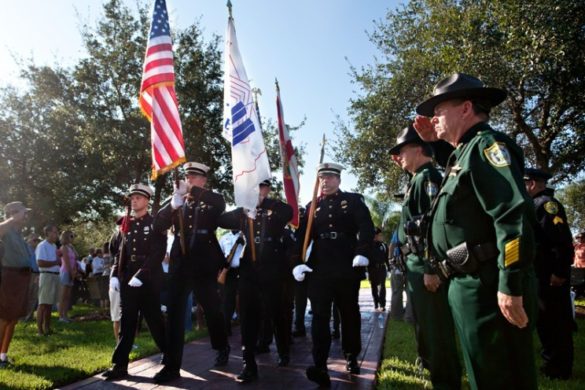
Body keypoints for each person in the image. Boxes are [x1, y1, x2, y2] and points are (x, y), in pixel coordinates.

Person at [414, 73, 538, 389]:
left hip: (488, 284)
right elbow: (460, 179)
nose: (433, 119)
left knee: (500, 377)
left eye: (439, 110)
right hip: (469, 282)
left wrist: (510, 284)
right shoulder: (465, 151)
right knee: (484, 374)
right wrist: (436, 143)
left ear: (466, 108)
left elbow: (512, 217)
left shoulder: (487, 145)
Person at [390, 124, 461, 389]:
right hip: (414, 266)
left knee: (436, 329)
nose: (398, 157)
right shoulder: (416, 179)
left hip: (425, 267)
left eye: (401, 150)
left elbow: (433, 226)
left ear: (420, 149)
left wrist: (432, 267)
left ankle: (446, 381)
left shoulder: (428, 177)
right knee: (423, 325)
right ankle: (431, 369)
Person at [293, 162, 374, 387]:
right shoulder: (312, 206)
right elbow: (302, 237)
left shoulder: (353, 201)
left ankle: (351, 355)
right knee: (319, 316)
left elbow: (366, 226)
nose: (325, 182)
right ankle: (320, 365)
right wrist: (297, 263)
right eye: (321, 178)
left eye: (329, 177)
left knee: (349, 313)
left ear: (338, 179)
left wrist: (362, 252)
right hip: (319, 268)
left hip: (347, 264)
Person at [153, 162, 230, 383]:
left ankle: (221, 345)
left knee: (212, 309)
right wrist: (172, 206)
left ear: (204, 180)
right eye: (188, 177)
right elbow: (159, 224)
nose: (189, 180)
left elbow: (220, 203)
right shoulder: (178, 201)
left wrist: (192, 191)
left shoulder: (211, 200)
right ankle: (171, 364)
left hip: (204, 263)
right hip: (180, 263)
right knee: (176, 312)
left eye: (195, 177)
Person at [219, 179, 293, 383]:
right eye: (255, 188)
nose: (258, 191)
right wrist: (244, 208)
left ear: (267, 189)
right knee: (247, 316)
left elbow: (289, 212)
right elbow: (222, 220)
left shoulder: (276, 209)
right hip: (249, 269)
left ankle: (284, 350)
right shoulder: (243, 211)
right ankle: (248, 364)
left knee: (277, 312)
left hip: (272, 267)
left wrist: (263, 203)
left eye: (262, 187)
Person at [102, 183, 167, 381]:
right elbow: (117, 251)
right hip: (127, 278)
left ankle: (170, 360)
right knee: (127, 322)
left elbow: (158, 252)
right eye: (132, 197)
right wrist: (114, 274)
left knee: (155, 321)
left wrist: (142, 273)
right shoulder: (125, 225)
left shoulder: (155, 223)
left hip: (147, 280)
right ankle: (120, 365)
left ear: (147, 200)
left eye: (138, 197)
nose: (134, 200)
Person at [524, 168, 575, 379]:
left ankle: (559, 369)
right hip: (540, 274)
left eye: (524, 183)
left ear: (533, 184)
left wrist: (560, 272)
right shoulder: (534, 206)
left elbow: (561, 241)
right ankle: (550, 364)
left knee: (556, 323)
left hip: (551, 276)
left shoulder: (546, 205)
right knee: (545, 322)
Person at [0, 202, 33, 368]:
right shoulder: (6, 229)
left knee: (13, 320)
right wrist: (12, 218)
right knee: (4, 318)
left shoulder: (18, 233)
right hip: (10, 277)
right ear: (13, 213)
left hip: (21, 278)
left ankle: (3, 356)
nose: (26, 216)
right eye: (23, 213)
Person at [218, 229, 244, 337]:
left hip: (243, 270)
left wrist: (243, 242)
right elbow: (220, 255)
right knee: (228, 300)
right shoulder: (224, 238)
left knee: (244, 299)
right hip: (229, 272)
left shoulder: (244, 236)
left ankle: (245, 327)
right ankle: (226, 328)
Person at [36, 224, 60, 336]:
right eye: (54, 232)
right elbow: (40, 262)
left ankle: (47, 328)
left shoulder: (54, 246)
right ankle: (40, 331)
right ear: (48, 233)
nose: (56, 235)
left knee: (50, 304)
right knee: (43, 304)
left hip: (55, 275)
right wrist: (56, 262)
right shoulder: (42, 245)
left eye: (57, 232)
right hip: (46, 275)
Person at [58, 230, 78, 323]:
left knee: (68, 296)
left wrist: (74, 272)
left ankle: (65, 315)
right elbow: (66, 262)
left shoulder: (70, 247)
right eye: (71, 236)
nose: (72, 238)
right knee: (63, 295)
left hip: (71, 272)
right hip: (65, 272)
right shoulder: (63, 248)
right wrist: (71, 273)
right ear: (66, 237)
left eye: (73, 236)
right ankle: (61, 316)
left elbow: (76, 257)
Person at [368, 227, 389, 311]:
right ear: (375, 236)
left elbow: (386, 258)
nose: (380, 236)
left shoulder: (384, 245)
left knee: (382, 286)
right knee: (374, 287)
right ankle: (376, 303)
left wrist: (389, 268)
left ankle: (382, 305)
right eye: (379, 235)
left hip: (382, 268)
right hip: (372, 269)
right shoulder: (369, 246)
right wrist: (366, 271)